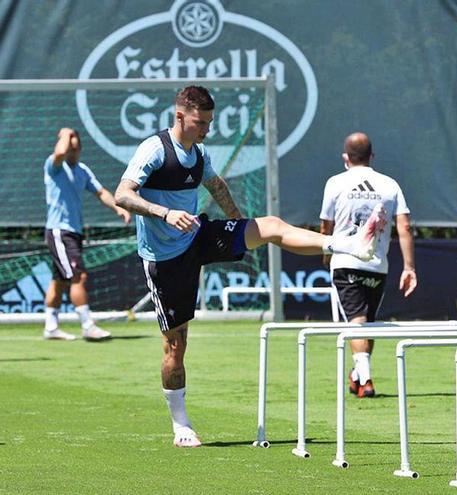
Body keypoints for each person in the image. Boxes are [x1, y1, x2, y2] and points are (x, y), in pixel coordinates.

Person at [114, 86, 386, 448]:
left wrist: (239, 224)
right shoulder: (153, 149)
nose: (207, 129)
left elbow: (215, 184)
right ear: (180, 116)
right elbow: (123, 194)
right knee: (175, 349)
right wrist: (165, 212)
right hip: (164, 259)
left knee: (270, 225)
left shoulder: (199, 152)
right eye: (201, 122)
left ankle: (348, 244)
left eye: (210, 122)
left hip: (196, 235)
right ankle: (181, 424)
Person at [320, 132, 417, 398]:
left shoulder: (335, 182)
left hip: (345, 260)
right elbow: (405, 226)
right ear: (371, 156)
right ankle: (358, 374)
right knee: (367, 321)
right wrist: (409, 267)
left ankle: (366, 378)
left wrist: (325, 253)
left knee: (358, 321)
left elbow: (325, 225)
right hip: (377, 264)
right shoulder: (389, 184)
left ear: (345, 158)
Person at [42, 128, 131, 341]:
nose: (72, 152)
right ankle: (87, 325)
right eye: (69, 147)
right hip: (59, 231)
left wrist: (118, 207)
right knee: (78, 276)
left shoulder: (82, 170)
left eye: (76, 148)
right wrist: (65, 134)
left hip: (74, 232)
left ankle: (51, 326)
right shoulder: (54, 166)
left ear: (80, 149)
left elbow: (100, 192)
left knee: (59, 281)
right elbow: (60, 153)